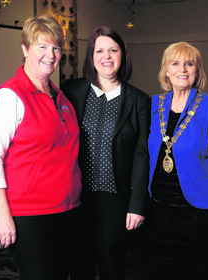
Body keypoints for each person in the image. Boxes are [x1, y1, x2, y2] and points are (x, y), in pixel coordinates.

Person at [0, 14, 81, 280]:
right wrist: (3, 216)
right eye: (42, 46)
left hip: (68, 210)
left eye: (56, 47)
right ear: (25, 49)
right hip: (31, 216)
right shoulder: (10, 96)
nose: (51, 54)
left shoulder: (61, 98)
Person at [61, 26, 150, 280]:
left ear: (122, 55)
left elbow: (141, 155)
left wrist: (137, 205)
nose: (106, 56)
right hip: (78, 198)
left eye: (113, 50)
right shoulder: (72, 91)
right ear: (91, 56)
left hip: (116, 200)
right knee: (79, 266)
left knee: (113, 267)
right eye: (99, 50)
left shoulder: (138, 99)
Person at [147, 41, 208, 280]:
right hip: (158, 207)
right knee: (161, 270)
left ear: (198, 71)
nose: (182, 69)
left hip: (197, 209)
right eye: (175, 63)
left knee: (196, 271)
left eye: (189, 63)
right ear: (166, 70)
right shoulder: (152, 104)